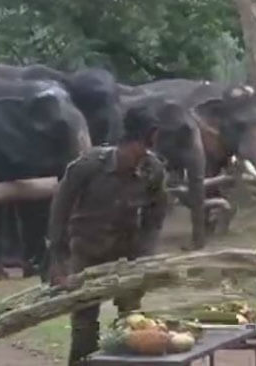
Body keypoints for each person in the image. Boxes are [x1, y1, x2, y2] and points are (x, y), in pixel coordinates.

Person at [47, 106, 169, 366]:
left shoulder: (153, 170)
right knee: (84, 326)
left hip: (128, 256)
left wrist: (146, 256)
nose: (142, 155)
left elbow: (155, 217)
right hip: (87, 254)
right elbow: (59, 213)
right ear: (130, 142)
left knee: (132, 323)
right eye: (139, 148)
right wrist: (59, 262)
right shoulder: (87, 167)